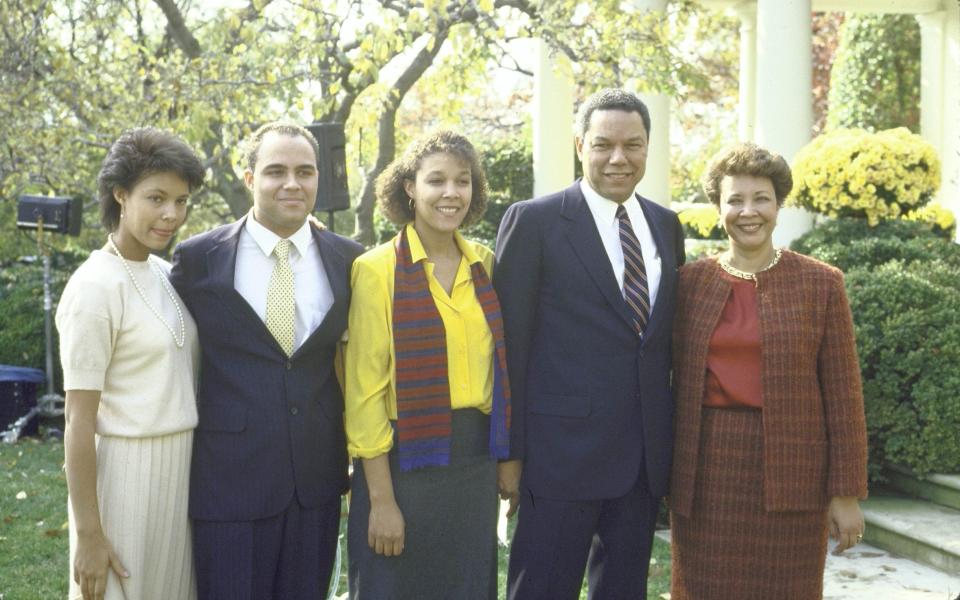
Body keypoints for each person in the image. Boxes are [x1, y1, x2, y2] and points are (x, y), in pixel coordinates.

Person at [495, 88, 686, 599]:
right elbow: (509, 343)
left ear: (648, 148)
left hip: (642, 462)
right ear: (580, 145)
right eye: (603, 144)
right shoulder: (533, 221)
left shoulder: (667, 226)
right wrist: (510, 455)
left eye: (633, 145)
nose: (618, 158)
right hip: (559, 458)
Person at [169, 122, 363, 599]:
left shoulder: (350, 261)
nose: (292, 184)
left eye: (305, 172)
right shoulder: (199, 260)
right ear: (250, 177)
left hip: (314, 481)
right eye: (276, 171)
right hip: (228, 481)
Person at [669, 142, 868, 599]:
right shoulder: (688, 283)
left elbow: (843, 396)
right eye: (734, 199)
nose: (748, 211)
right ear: (718, 207)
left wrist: (846, 493)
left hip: (794, 476)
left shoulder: (821, 283)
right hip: (706, 477)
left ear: (779, 204)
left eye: (760, 198)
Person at [344, 130, 512, 599]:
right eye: (436, 180)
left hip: (473, 464)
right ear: (410, 188)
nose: (451, 193)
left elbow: (502, 373)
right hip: (401, 466)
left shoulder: (485, 264)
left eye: (463, 181)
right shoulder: (376, 270)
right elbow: (364, 392)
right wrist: (380, 500)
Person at [58, 127, 205, 600]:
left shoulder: (166, 273)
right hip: (125, 478)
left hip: (180, 474)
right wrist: (89, 534)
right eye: (156, 198)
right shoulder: (94, 287)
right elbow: (78, 422)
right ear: (121, 194)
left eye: (181, 201)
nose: (171, 215)